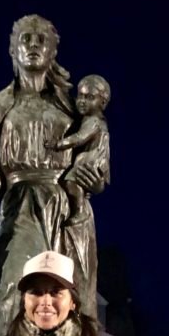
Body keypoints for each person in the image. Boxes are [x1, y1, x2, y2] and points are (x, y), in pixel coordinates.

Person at [0, 15, 107, 336]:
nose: (33, 45)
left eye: (40, 40)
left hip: (69, 205)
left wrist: (91, 175)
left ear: (53, 51)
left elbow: (99, 165)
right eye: (25, 39)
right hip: (20, 204)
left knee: (75, 294)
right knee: (12, 288)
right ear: (12, 50)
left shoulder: (75, 107)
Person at [54, 74, 111, 226]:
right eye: (80, 96)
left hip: (88, 160)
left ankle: (78, 211)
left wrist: (59, 144)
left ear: (103, 103)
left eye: (89, 97)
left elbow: (79, 138)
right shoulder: (86, 117)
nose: (82, 101)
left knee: (71, 182)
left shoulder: (93, 121)